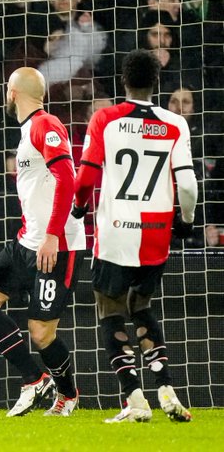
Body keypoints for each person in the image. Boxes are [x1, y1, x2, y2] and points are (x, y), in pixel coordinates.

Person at [72, 49, 197, 423]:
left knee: (110, 310)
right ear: (156, 82)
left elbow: (87, 177)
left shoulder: (106, 119)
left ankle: (134, 399)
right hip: (156, 235)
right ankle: (166, 388)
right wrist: (186, 222)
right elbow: (188, 185)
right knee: (141, 307)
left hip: (114, 234)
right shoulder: (175, 123)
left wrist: (79, 208)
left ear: (123, 80)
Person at [0, 67, 86, 417]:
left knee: (41, 332)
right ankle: (34, 379)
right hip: (26, 241)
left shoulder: (44, 124)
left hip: (57, 243)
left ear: (12, 92)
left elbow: (68, 178)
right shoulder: (28, 131)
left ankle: (68, 394)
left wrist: (51, 234)